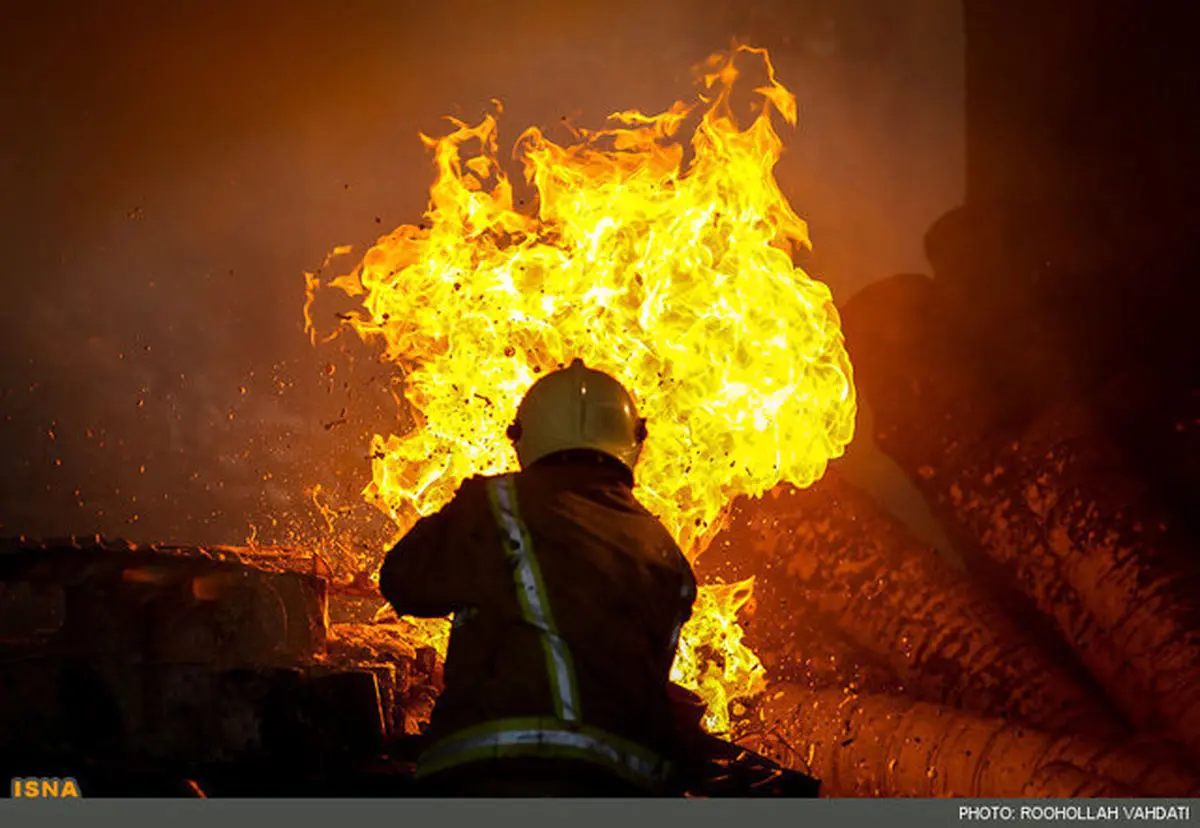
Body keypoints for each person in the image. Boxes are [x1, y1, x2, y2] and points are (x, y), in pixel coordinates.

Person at [377, 358, 698, 797]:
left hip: (492, 773)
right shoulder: (665, 549)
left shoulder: (496, 502)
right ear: (633, 442)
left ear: (523, 437)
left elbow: (402, 581)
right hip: (628, 786)